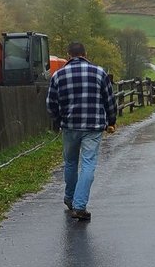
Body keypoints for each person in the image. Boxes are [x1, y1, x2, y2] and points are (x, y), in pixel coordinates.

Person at [46, 41, 117, 221]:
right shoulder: (100, 73)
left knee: (70, 162)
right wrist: (111, 121)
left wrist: (58, 120)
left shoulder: (58, 75)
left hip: (69, 126)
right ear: (85, 54)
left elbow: (51, 104)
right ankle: (79, 205)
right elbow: (110, 100)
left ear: (68, 56)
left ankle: (70, 199)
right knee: (88, 164)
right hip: (93, 127)